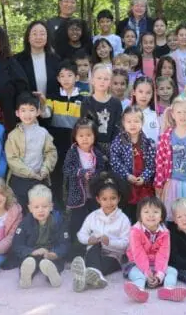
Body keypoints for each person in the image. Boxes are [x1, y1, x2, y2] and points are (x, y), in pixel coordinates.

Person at [72, 172, 131, 292]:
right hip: (94, 251)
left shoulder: (123, 219)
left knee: (105, 264)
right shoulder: (93, 216)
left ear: (119, 198)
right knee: (94, 248)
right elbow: (81, 234)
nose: (109, 202)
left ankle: (88, 275)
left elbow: (126, 243)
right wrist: (88, 239)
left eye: (113, 198)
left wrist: (110, 242)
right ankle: (95, 276)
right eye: (104, 199)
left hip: (113, 256)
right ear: (98, 199)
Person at [123, 196, 186, 303]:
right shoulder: (135, 231)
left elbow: (163, 254)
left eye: (155, 212)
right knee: (138, 275)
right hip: (137, 263)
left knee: (172, 271)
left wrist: (159, 275)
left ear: (161, 217)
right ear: (140, 216)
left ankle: (168, 290)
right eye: (146, 212)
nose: (151, 215)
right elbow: (138, 254)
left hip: (156, 264)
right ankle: (139, 290)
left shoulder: (165, 233)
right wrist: (147, 272)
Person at [4, 185, 69, 288]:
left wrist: (55, 253)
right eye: (36, 207)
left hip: (50, 252)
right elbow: (17, 244)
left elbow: (64, 243)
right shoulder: (25, 223)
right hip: (33, 251)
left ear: (51, 206)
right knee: (28, 261)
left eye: (44, 206)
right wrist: (31, 252)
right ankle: (26, 277)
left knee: (54, 262)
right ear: (30, 208)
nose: (41, 210)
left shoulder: (58, 221)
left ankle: (53, 275)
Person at [63, 118, 108, 257]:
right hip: (78, 196)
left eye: (88, 135)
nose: (85, 139)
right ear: (75, 137)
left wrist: (95, 175)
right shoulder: (72, 152)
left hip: (93, 195)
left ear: (94, 136)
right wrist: (81, 173)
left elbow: (102, 170)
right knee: (77, 223)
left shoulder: (97, 153)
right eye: (81, 135)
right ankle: (76, 253)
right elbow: (67, 169)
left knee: (94, 222)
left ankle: (93, 251)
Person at [5, 93, 57, 210]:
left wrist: (45, 169)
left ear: (38, 112)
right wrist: (30, 173)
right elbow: (12, 159)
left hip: (40, 177)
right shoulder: (13, 136)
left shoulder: (43, 133)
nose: (27, 114)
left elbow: (51, 152)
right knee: (21, 210)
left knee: (39, 208)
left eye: (31, 110)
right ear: (17, 113)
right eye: (23, 110)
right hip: (20, 179)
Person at [109, 106, 157, 221]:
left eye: (136, 121)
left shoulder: (148, 143)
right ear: (123, 123)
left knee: (143, 212)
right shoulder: (119, 141)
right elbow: (115, 161)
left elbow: (152, 165)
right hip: (126, 185)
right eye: (129, 121)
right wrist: (127, 175)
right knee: (126, 214)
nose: (132, 124)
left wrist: (144, 177)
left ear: (142, 122)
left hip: (143, 185)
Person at [47, 60, 84, 204]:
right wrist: (42, 103)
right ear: (58, 79)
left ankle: (73, 204)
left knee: (73, 175)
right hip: (56, 142)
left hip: (74, 144)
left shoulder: (83, 99)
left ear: (77, 77)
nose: (66, 79)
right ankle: (58, 205)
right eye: (62, 76)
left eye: (69, 75)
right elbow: (45, 114)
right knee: (56, 175)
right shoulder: (53, 97)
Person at [14, 20, 61, 132]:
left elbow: (59, 87)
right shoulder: (17, 60)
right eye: (34, 33)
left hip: (50, 112)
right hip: (26, 114)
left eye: (42, 34)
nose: (38, 37)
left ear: (47, 37)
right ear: (28, 37)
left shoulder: (56, 60)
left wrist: (46, 107)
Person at [81, 64, 123, 156]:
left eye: (106, 79)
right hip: (92, 148)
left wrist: (112, 149)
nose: (102, 81)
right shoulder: (87, 102)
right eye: (99, 78)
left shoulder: (116, 103)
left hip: (112, 148)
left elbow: (118, 128)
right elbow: (86, 127)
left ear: (110, 82)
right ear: (92, 80)